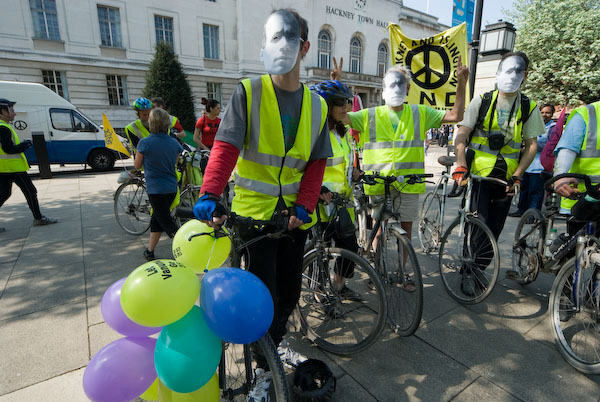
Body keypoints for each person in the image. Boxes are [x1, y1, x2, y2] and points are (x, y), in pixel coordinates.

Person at [191, 9, 331, 400]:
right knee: (262, 295)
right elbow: (225, 148)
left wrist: (304, 205)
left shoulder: (317, 106)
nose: (281, 45)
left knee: (288, 292)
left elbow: (317, 163)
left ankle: (274, 345)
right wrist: (209, 192)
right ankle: (260, 364)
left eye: (290, 39)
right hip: (253, 218)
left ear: (304, 47)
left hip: (294, 221)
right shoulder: (249, 91)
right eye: (274, 37)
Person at [340, 59, 469, 248]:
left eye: (400, 84)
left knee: (406, 231)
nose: (395, 88)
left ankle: (403, 271)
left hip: (409, 182)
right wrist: (338, 87)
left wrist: (461, 85)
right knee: (378, 227)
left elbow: (456, 115)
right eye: (391, 83)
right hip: (379, 182)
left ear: (408, 88)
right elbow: (340, 117)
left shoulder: (419, 113)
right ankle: (377, 269)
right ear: (384, 88)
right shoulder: (370, 114)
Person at [452, 51, 546, 286]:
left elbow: (531, 145)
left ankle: (478, 266)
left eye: (518, 70)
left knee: (494, 229)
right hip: (479, 176)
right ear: (499, 70)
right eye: (508, 68)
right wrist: (461, 163)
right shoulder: (482, 100)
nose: (512, 74)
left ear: (525, 76)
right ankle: (469, 270)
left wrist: (518, 175)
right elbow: (462, 132)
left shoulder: (528, 107)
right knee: (477, 224)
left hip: (506, 179)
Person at [310, 79, 362, 300]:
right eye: (340, 103)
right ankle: (320, 291)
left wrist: (355, 172)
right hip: (320, 202)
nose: (346, 107)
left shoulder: (343, 131)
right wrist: (318, 188)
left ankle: (338, 286)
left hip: (342, 201)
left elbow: (344, 161)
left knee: (350, 248)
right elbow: (304, 166)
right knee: (320, 252)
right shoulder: (314, 133)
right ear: (326, 106)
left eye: (347, 102)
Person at [133, 108, 183, 261]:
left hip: (156, 190)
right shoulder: (174, 143)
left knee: (168, 224)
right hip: (171, 188)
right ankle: (149, 251)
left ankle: (188, 247)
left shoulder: (145, 143)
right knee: (158, 219)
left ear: (151, 123)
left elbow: (137, 165)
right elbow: (174, 162)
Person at [0, 98, 57, 230]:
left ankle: (38, 218)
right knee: (30, 191)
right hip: (12, 168)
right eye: (11, 110)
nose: (14, 113)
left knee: (4, 193)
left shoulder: (4, 126)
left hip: (5, 168)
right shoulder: (3, 128)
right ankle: (39, 218)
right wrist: (24, 145)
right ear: (3, 111)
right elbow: (8, 149)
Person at [552, 100, 600, 234]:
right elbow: (567, 149)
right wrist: (560, 177)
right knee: (577, 250)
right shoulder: (588, 113)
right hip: (583, 198)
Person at [509, 103, 555, 217]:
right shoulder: (535, 125)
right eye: (543, 112)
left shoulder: (552, 128)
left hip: (540, 166)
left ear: (552, 114)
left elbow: (551, 147)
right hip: (528, 165)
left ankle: (533, 214)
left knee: (535, 192)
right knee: (524, 189)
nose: (545, 115)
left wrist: (532, 145)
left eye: (548, 112)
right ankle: (521, 210)